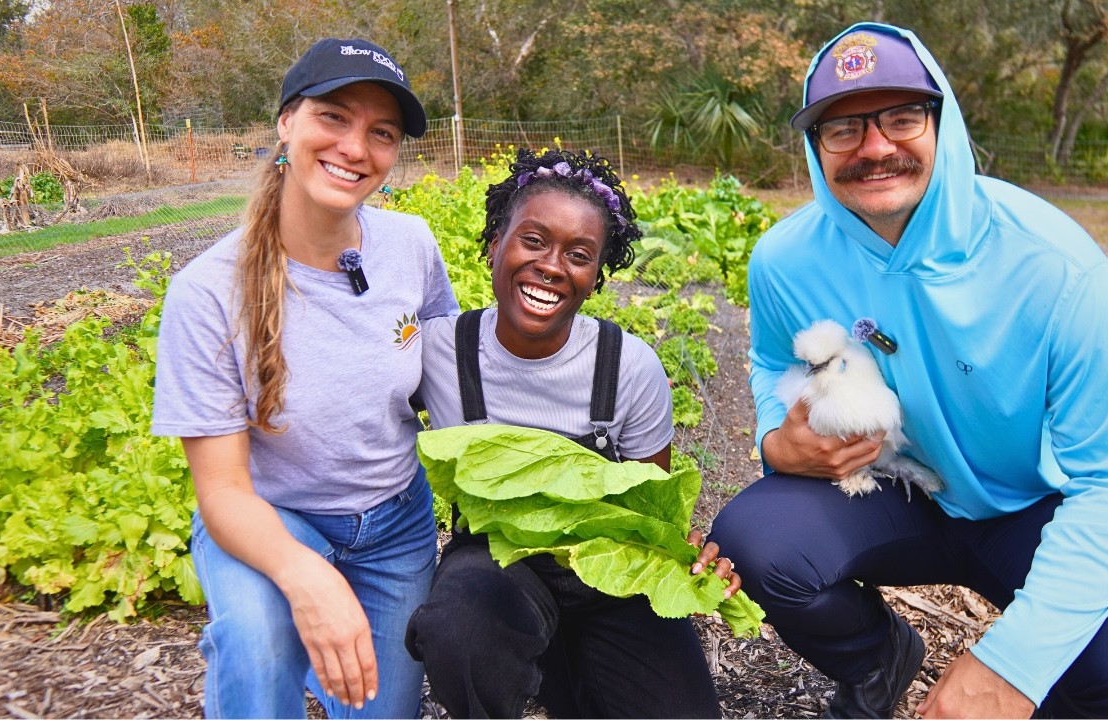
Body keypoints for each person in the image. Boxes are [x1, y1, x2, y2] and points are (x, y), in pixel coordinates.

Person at [708, 21, 1108, 719]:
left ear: (942, 121)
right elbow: (771, 360)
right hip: (899, 492)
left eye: (902, 116)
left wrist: (1011, 667)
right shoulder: (784, 260)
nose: (874, 147)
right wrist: (775, 438)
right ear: (814, 145)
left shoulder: (1054, 269)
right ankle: (878, 659)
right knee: (753, 543)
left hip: (1036, 506)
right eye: (843, 127)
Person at [150, 38, 458, 719]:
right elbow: (222, 491)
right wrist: (304, 575)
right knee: (258, 645)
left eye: (382, 133)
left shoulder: (410, 245)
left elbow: (449, 375)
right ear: (287, 122)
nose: (355, 148)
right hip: (270, 519)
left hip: (397, 524)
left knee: (379, 706)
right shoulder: (207, 294)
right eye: (334, 117)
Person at [403, 148, 739, 719]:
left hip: (611, 566)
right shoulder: (440, 349)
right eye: (533, 241)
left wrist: (688, 556)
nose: (552, 266)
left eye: (579, 255)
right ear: (495, 245)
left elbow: (650, 507)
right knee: (460, 629)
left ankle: (567, 669)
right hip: (498, 559)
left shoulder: (627, 366)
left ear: (595, 278)